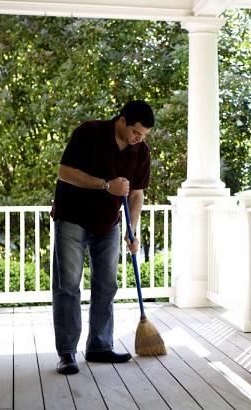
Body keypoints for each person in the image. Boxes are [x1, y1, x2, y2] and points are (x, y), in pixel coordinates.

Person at [51, 100, 154, 375]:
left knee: (107, 285)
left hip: (109, 224)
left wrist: (133, 228)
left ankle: (99, 346)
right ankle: (67, 352)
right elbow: (64, 173)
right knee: (68, 287)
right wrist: (106, 185)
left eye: (143, 135)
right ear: (122, 121)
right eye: (135, 132)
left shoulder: (140, 151)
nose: (138, 139)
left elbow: (136, 194)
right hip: (72, 218)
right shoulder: (89, 133)